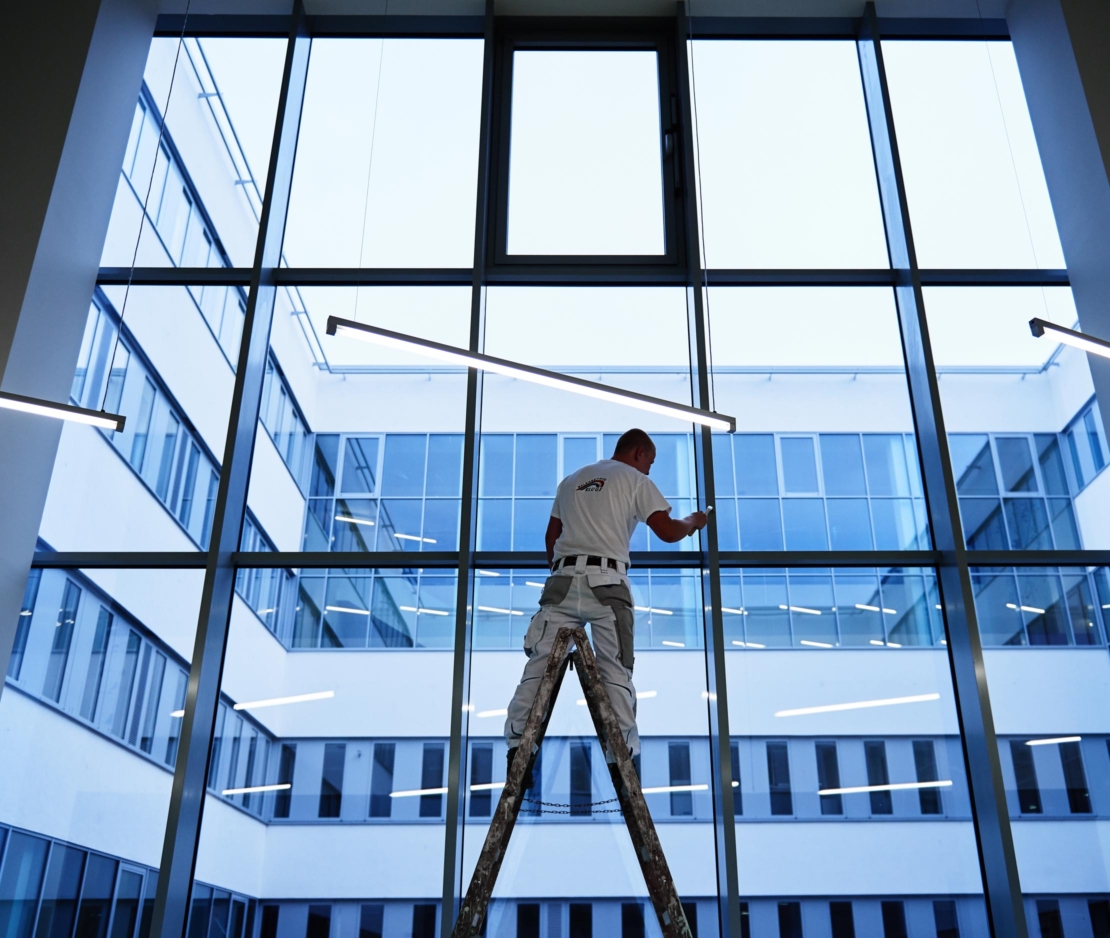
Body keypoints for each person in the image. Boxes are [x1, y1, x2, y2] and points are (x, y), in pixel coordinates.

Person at [503, 428, 708, 789]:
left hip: (562, 581)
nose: (649, 471)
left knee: (538, 668)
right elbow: (667, 531)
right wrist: (694, 521)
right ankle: (623, 760)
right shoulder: (633, 479)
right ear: (639, 453)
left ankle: (518, 750)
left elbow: (551, 538)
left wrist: (563, 571)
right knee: (614, 670)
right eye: (651, 463)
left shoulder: (572, 481)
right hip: (608, 584)